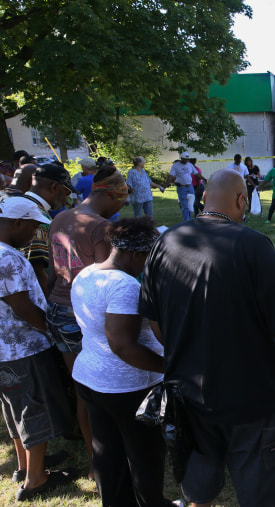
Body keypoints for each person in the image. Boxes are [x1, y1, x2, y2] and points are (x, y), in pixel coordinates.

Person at [140, 169, 275, 506]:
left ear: (203, 197)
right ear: (241, 200)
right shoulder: (254, 245)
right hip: (250, 396)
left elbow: (156, 323)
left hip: (187, 391)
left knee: (198, 488)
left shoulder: (165, 242)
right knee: (260, 490)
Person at [70, 217, 172, 506]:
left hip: (91, 379)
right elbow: (123, 345)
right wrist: (170, 368)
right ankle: (152, 503)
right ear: (139, 254)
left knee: (107, 452)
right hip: (126, 388)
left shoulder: (88, 273)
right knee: (145, 455)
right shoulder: (124, 285)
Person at [48, 166, 129, 480]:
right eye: (120, 200)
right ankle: (108, 458)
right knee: (99, 388)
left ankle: (96, 462)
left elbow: (55, 272)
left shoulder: (61, 218)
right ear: (109, 194)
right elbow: (107, 279)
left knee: (81, 387)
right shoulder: (100, 227)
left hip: (57, 308)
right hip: (83, 314)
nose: (121, 208)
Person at [0, 197, 76, 502]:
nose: (34, 234)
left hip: (6, 349)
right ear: (18, 222)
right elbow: (21, 307)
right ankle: (35, 480)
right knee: (35, 408)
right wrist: (50, 329)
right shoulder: (8, 258)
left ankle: (25, 465)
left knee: (15, 408)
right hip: (24, 348)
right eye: (32, 227)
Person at [20, 164, 75, 295]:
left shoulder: (21, 204)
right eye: (67, 192)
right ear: (54, 187)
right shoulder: (35, 215)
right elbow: (37, 267)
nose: (67, 199)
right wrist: (51, 303)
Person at [164, 152, 199, 222]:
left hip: (190, 187)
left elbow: (197, 173)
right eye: (185, 159)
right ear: (181, 158)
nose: (186, 161)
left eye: (187, 159)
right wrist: (165, 186)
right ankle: (186, 221)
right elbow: (171, 176)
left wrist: (204, 179)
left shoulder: (189, 165)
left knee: (190, 206)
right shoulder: (176, 165)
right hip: (181, 187)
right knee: (185, 206)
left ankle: (188, 219)